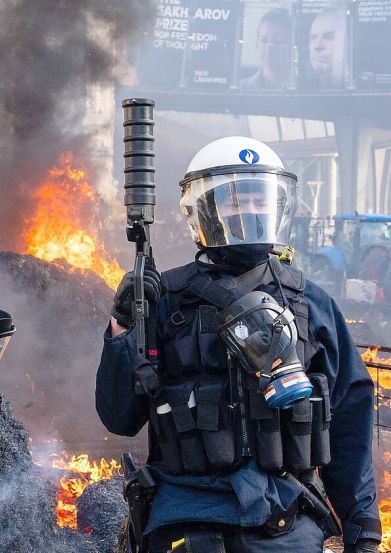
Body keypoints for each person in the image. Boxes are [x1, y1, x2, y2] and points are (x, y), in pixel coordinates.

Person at [97, 137, 381, 553]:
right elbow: (119, 417)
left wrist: (363, 532)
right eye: (233, 200)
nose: (248, 210)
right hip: (185, 517)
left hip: (287, 523)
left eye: (257, 198)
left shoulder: (312, 305)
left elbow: (350, 428)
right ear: (204, 211)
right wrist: (123, 325)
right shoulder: (164, 300)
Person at [239, 10, 291, 92]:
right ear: (257, 44)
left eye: (276, 41)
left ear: (289, 47)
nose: (269, 47)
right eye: (264, 40)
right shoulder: (241, 89)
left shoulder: (299, 89)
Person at [301, 10, 346, 90]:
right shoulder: (303, 90)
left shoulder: (363, 90)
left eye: (328, 37)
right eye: (313, 38)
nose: (318, 46)